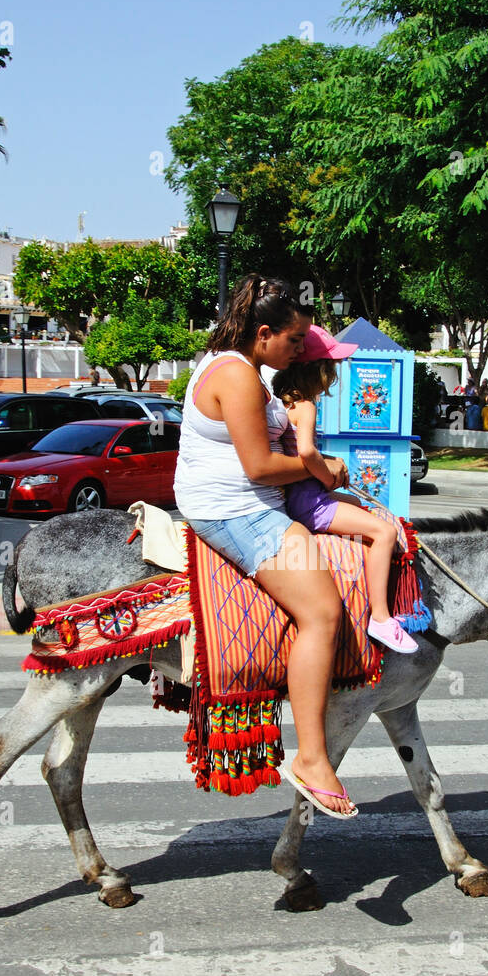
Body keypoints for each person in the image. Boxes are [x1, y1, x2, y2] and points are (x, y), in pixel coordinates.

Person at [174, 274, 357, 819]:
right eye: (295, 339)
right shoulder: (240, 379)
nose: (301, 349)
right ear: (263, 334)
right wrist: (323, 471)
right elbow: (259, 466)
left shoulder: (233, 366)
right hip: (239, 511)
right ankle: (313, 758)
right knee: (322, 612)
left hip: (244, 503)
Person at [272, 325, 418, 656]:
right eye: (331, 366)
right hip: (311, 502)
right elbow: (307, 453)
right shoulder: (306, 405)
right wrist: (328, 476)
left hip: (300, 498)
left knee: (356, 503)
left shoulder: (284, 402)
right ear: (317, 369)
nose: (335, 374)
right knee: (383, 531)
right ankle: (380, 616)